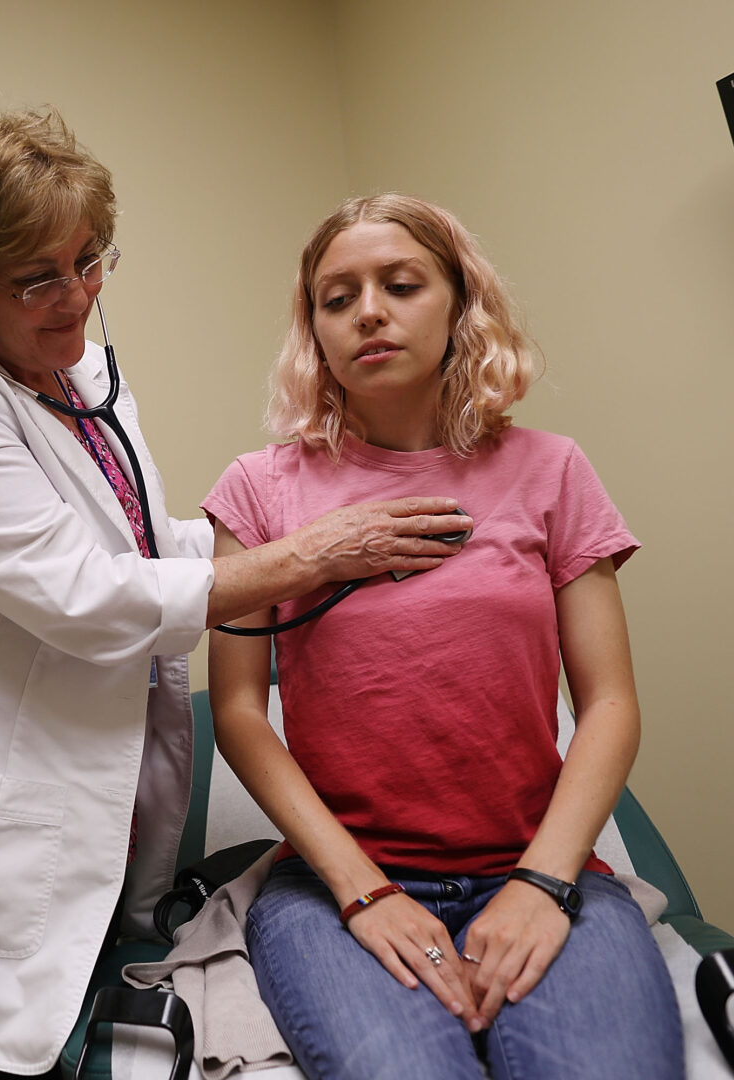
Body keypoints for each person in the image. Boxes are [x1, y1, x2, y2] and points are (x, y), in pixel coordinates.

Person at [0, 100, 474, 1080]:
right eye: (38, 277)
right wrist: (313, 552)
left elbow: (141, 543)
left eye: (91, 259)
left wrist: (281, 525)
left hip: (102, 828)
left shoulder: (81, 375)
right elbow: (90, 598)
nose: (76, 296)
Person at [203, 193, 684, 1079]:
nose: (369, 312)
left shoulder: (553, 471)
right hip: (334, 889)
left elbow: (610, 701)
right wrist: (364, 891)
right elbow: (237, 710)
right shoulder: (258, 490)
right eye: (336, 297)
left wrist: (544, 885)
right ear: (313, 329)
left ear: (461, 303)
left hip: (536, 869)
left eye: (401, 284)